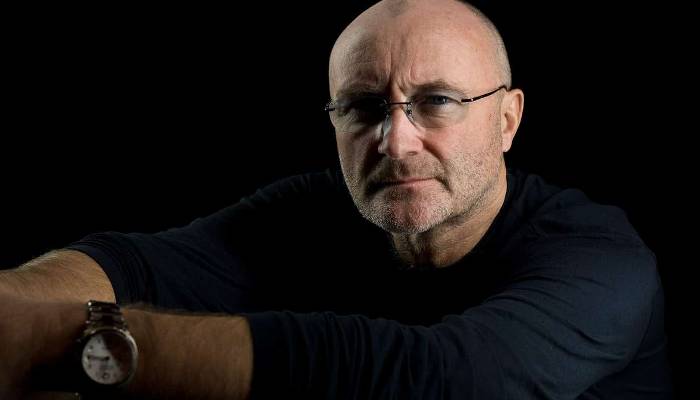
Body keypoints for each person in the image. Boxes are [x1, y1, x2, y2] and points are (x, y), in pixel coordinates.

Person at [0, 0, 673, 398]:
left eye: (436, 101)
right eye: (363, 106)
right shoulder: (311, 211)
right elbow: (135, 266)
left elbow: (446, 380)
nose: (396, 142)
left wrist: (60, 344)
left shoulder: (601, 258)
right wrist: (11, 309)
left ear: (507, 120)